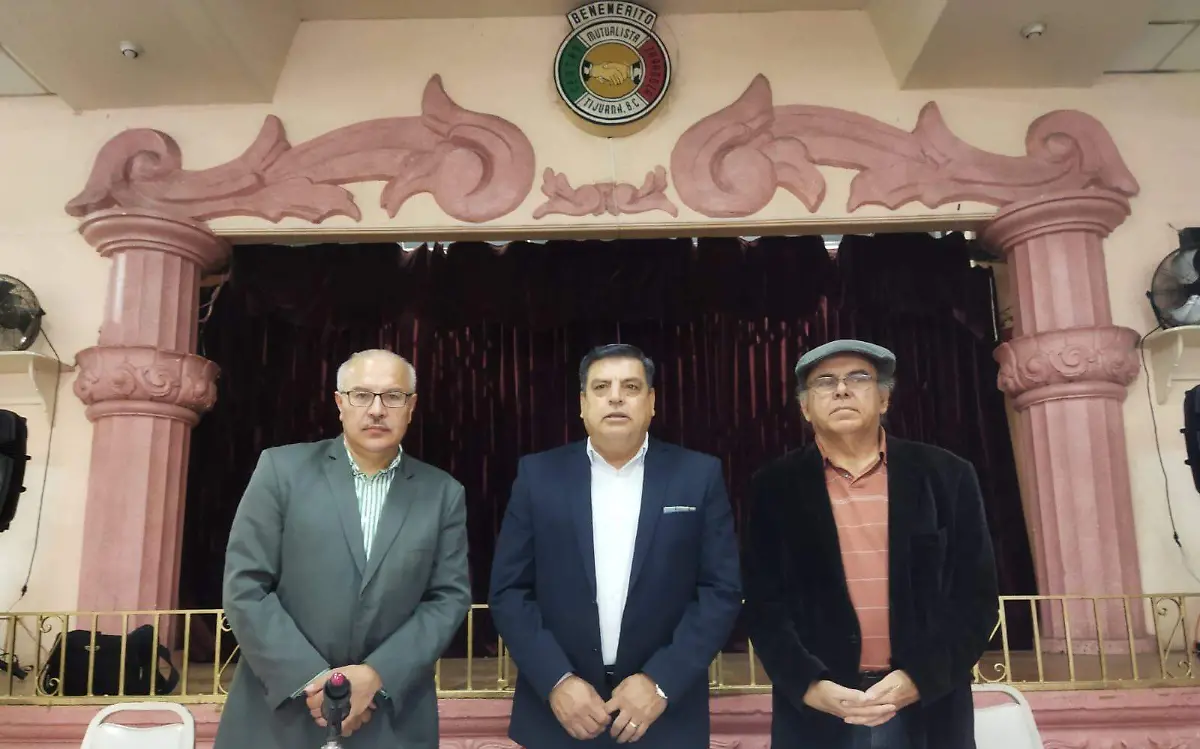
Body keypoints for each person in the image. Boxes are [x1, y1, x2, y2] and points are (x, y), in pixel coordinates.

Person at [743, 339, 999, 749]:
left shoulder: (947, 476)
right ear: (805, 407)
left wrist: (920, 678)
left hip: (925, 707)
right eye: (824, 382)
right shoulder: (774, 487)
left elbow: (976, 598)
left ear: (884, 399)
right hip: (820, 711)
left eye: (858, 378)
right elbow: (763, 605)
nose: (842, 390)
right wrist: (808, 684)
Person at [489, 343, 742, 749]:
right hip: (560, 714)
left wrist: (661, 681)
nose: (616, 397)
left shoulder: (698, 475)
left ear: (652, 402)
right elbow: (508, 591)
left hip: (663, 714)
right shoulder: (538, 476)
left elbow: (720, 591)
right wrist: (556, 680)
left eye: (631, 386)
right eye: (601, 387)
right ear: (583, 404)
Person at [216, 349, 471, 749]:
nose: (377, 409)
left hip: (390, 717)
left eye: (393, 396)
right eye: (361, 395)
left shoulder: (442, 494)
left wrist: (375, 676)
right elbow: (245, 585)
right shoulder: (282, 471)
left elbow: (448, 598)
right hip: (279, 713)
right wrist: (315, 682)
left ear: (411, 407)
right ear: (339, 403)